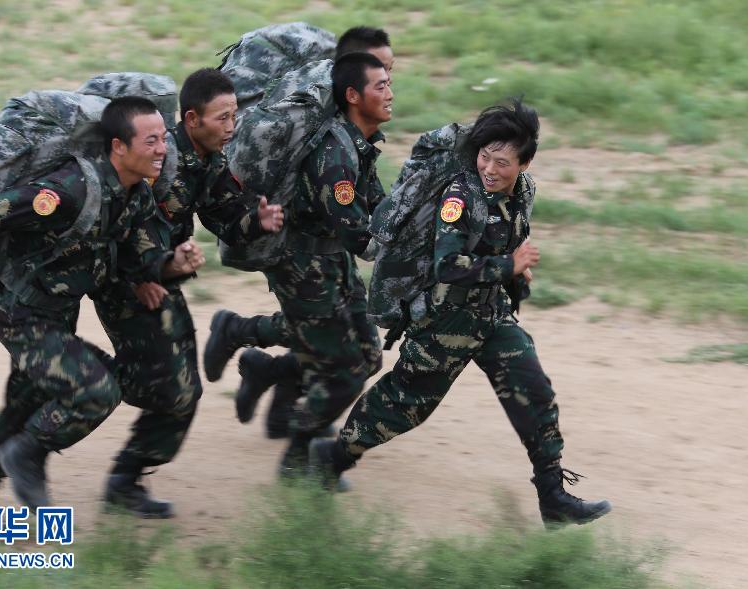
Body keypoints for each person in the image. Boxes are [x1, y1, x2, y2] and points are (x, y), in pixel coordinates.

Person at [310, 100, 612, 526]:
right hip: (444, 324)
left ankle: (553, 497)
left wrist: (514, 276)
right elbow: (447, 266)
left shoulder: (523, 192)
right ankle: (334, 457)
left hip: (491, 316)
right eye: (485, 156)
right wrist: (509, 266)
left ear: (524, 164)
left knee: (534, 393)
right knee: (404, 405)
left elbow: (505, 243)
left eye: (502, 162)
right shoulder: (460, 195)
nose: (490, 168)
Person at [0, 97, 205, 512]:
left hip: (57, 316)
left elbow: (140, 255)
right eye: (151, 141)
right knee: (95, 390)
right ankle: (28, 453)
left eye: (164, 138)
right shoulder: (70, 190)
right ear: (119, 146)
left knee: (27, 402)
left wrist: (172, 264)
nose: (163, 149)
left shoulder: (135, 195)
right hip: (22, 315)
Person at [92, 69, 283, 518]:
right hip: (129, 284)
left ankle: (125, 477)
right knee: (171, 388)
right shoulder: (161, 161)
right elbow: (121, 224)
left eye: (235, 115)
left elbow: (223, 216)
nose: (232, 126)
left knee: (181, 390)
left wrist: (256, 221)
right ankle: (77, 403)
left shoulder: (208, 161)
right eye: (223, 117)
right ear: (193, 119)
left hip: (161, 278)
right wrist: (141, 275)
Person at [204, 26, 394, 440]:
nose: (390, 83)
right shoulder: (328, 141)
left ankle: (270, 378)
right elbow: (359, 232)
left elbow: (371, 196)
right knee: (343, 360)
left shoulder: (351, 128)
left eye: (389, 71)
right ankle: (303, 455)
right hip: (300, 253)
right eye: (380, 73)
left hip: (328, 249)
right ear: (350, 79)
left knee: (363, 353)